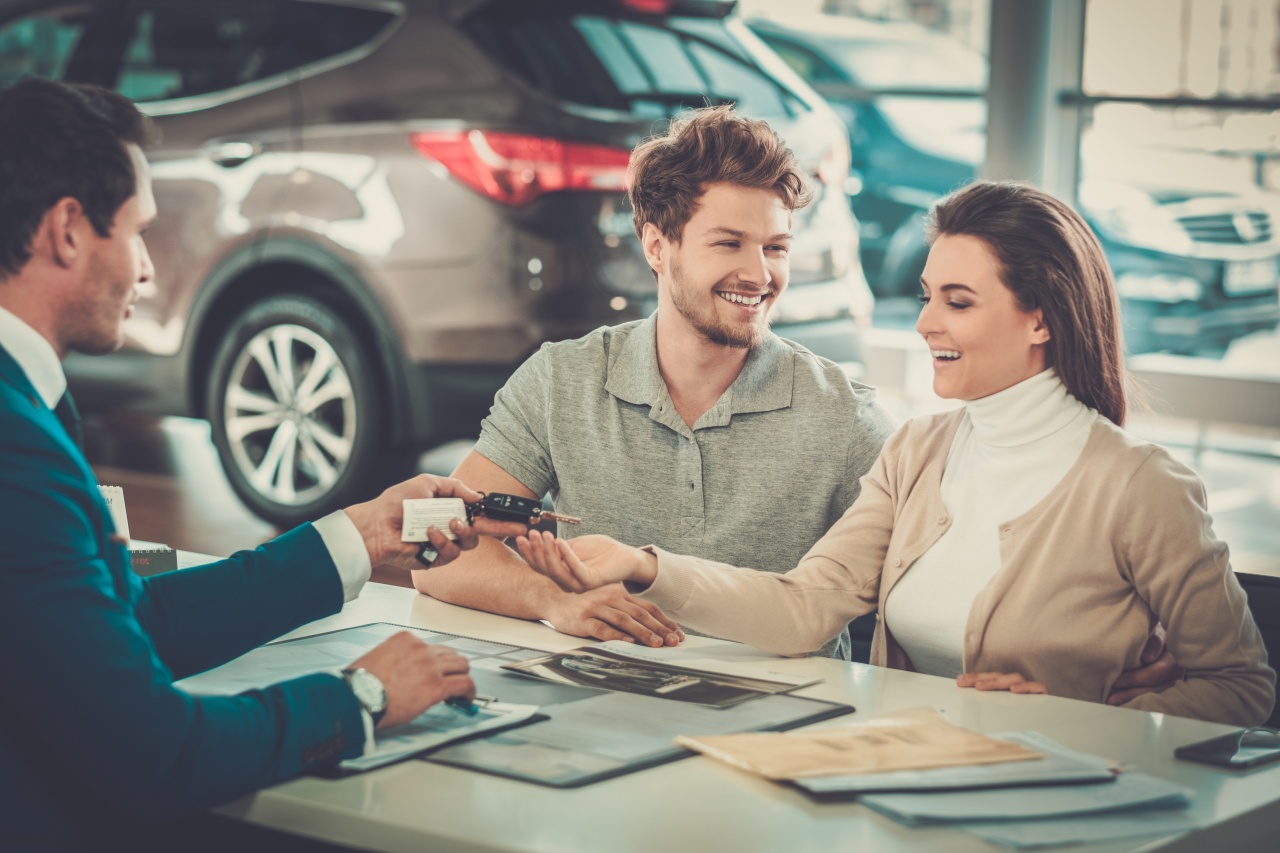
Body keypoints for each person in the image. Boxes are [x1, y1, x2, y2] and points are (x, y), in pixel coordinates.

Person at [517, 180, 1276, 727]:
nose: (924, 324)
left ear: (1040, 319)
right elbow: (801, 606)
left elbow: (1242, 689)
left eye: (958, 301)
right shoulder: (918, 451)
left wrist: (1087, 716)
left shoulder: (1141, 487)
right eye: (925, 294)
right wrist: (643, 562)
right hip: (903, 784)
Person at [0, 78, 529, 850]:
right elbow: (158, 757)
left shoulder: (25, 404)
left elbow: (125, 625)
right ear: (68, 231)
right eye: (138, 232)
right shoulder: (14, 447)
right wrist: (363, 694)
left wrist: (358, 535)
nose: (146, 270)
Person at [412, 104, 898, 660]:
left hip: (785, 721)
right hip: (596, 702)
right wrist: (552, 601)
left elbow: (937, 585)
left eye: (775, 247)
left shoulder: (844, 417)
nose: (760, 274)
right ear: (656, 247)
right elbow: (438, 550)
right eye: (728, 242)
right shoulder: (561, 380)